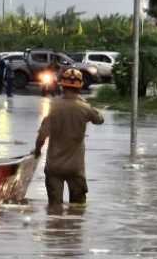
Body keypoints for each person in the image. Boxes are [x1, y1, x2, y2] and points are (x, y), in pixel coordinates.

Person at [33, 68, 104, 206]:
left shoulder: (54, 107)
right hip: (75, 168)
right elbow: (100, 120)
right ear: (80, 86)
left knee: (54, 209)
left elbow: (42, 135)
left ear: (62, 85)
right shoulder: (84, 108)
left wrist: (37, 151)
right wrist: (87, 105)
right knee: (77, 210)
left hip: (54, 167)